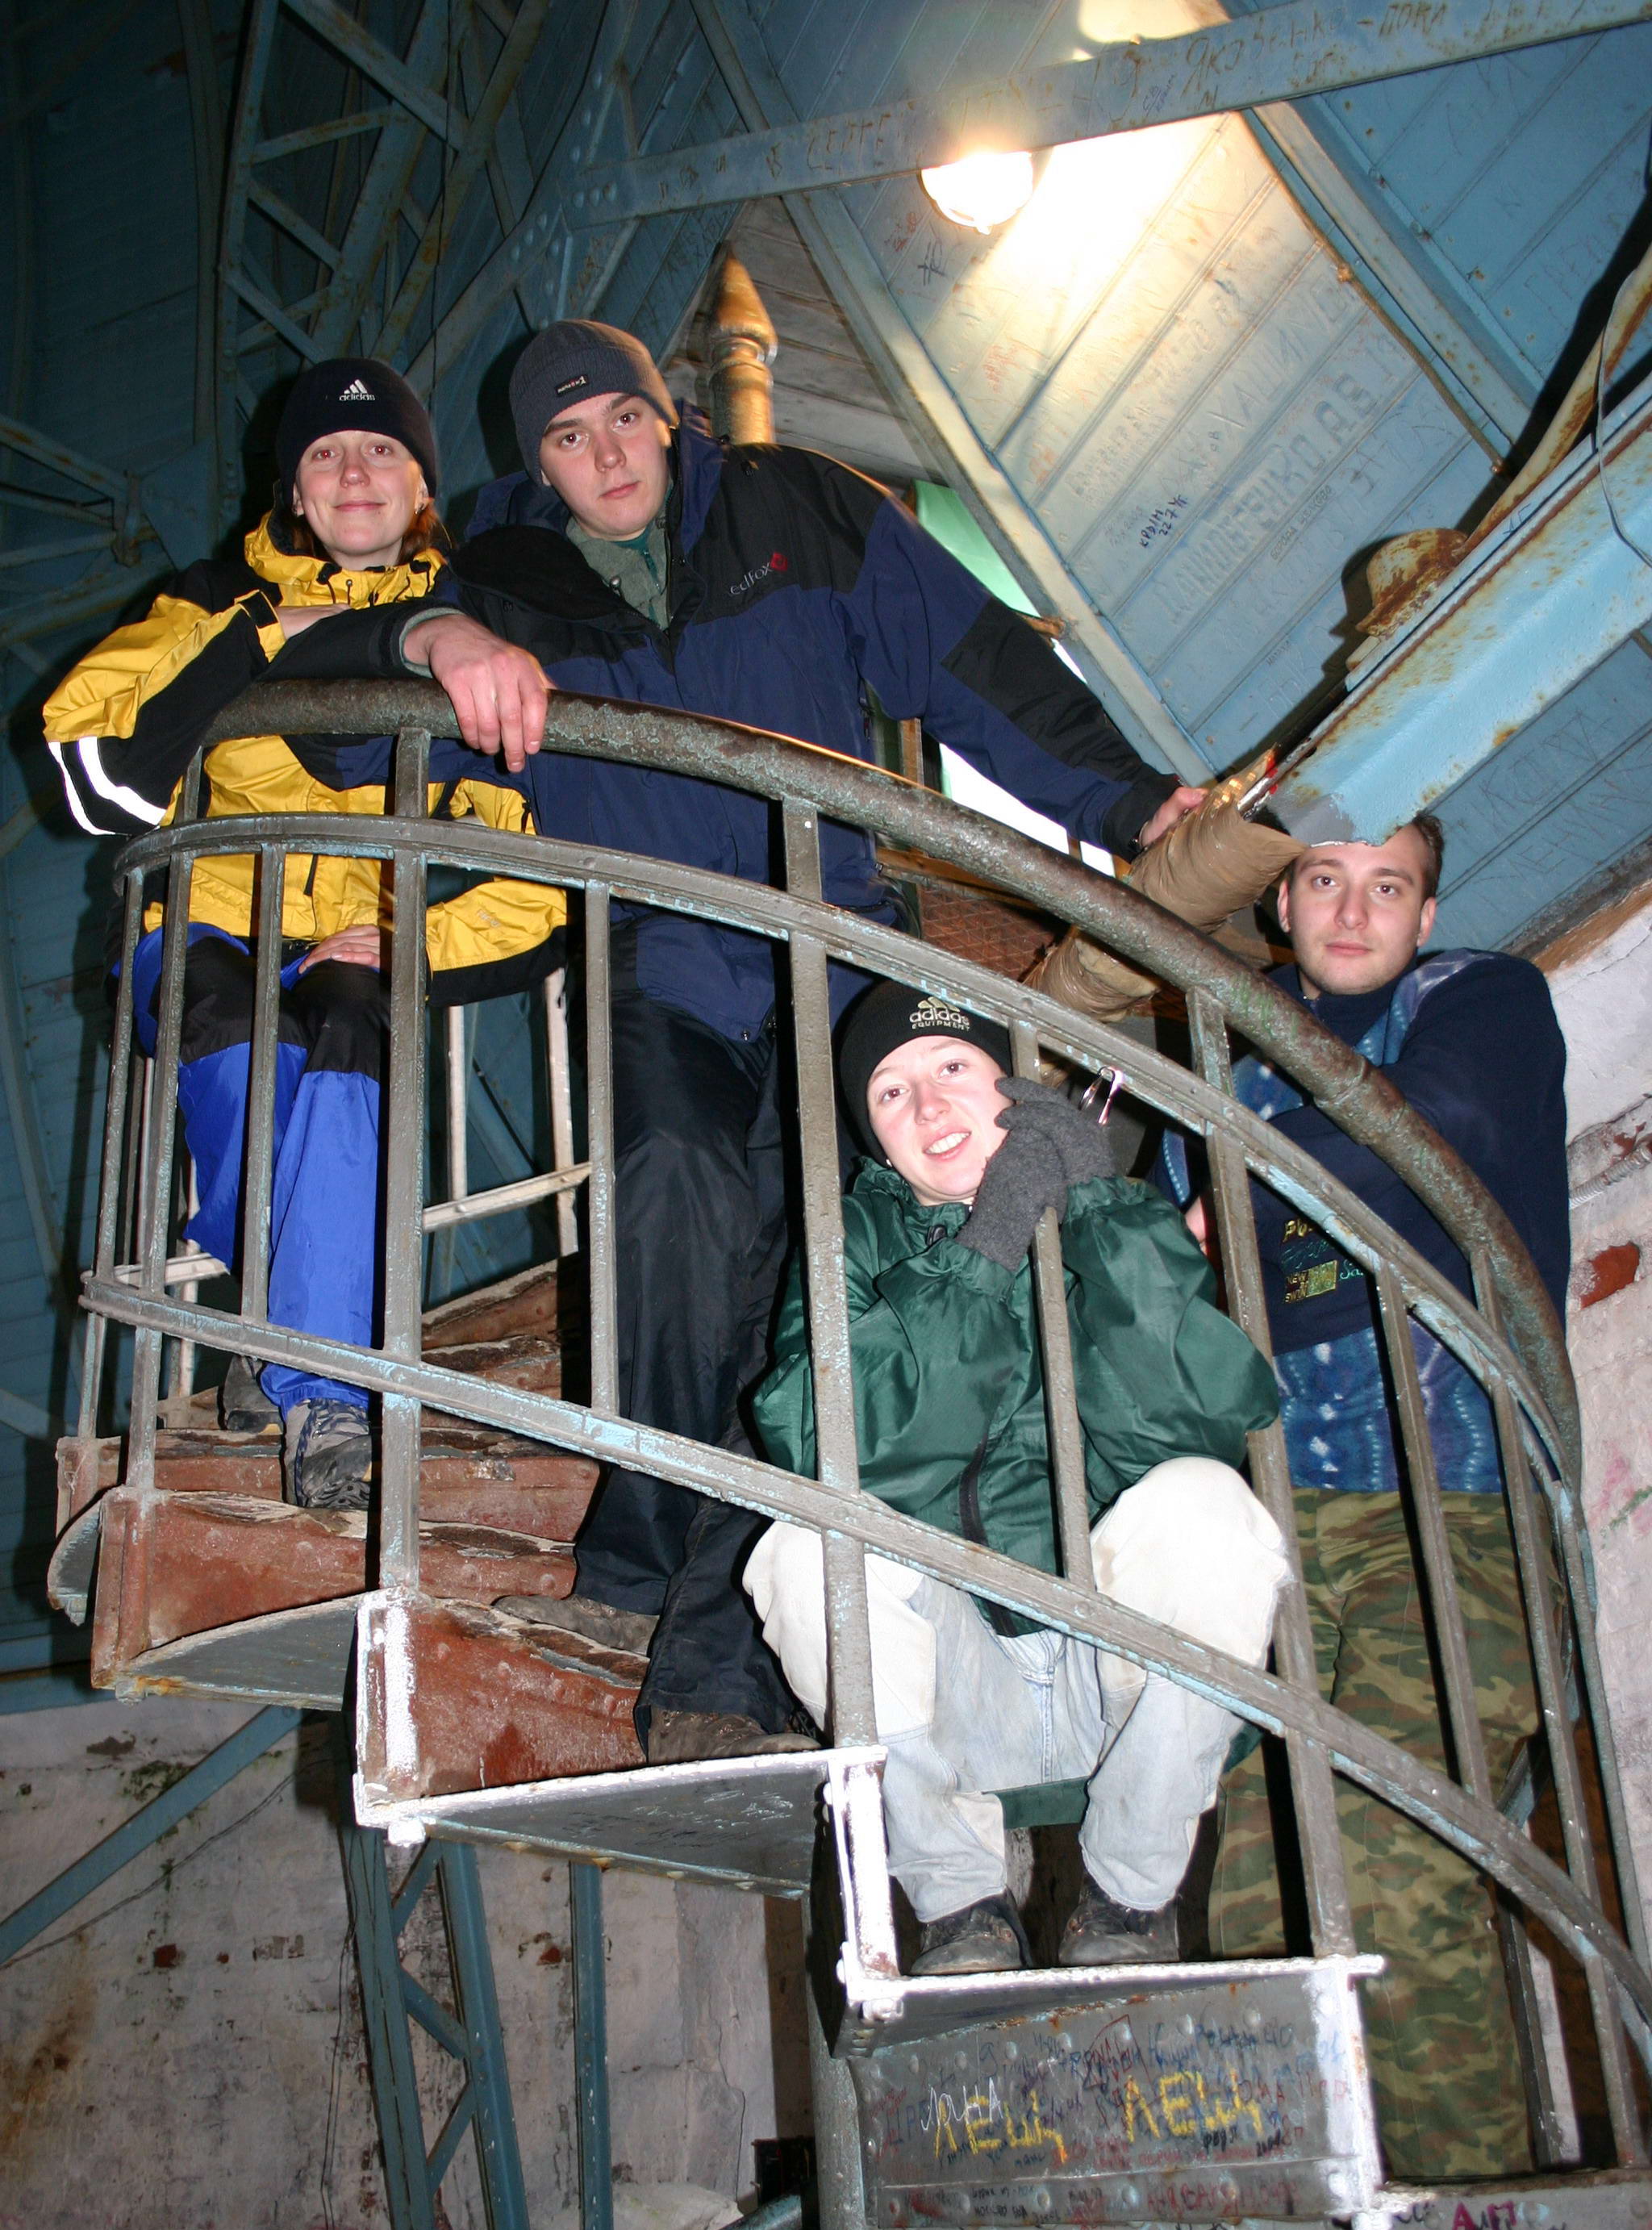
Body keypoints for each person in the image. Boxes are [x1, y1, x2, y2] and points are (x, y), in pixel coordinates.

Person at [335, 316, 1235, 1760]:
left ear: (667, 414)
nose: (604, 456)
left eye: (623, 419)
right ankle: (641, 1557)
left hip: (840, 945)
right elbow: (333, 714)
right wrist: (428, 633)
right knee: (677, 1204)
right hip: (664, 953)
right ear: (536, 463)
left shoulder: (795, 505)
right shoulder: (491, 566)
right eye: (567, 437)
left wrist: (1128, 805)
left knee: (824, 1269)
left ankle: (709, 1647)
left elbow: (976, 662)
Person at [44, 358, 565, 1509]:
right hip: (209, 921)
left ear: (422, 485)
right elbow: (94, 768)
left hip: (350, 949)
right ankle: (298, 1337)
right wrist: (273, 627)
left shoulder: (479, 632)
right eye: (325, 453)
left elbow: (539, 873)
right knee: (237, 1024)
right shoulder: (209, 597)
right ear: (292, 489)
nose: (355, 471)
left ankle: (315, 1387)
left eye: (383, 449)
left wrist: (416, 946)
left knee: (345, 1023)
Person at [1161, 814, 1568, 2179]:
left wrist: (1245, 1174)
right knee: (1257, 1891)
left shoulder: (1476, 997)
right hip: (1275, 1521)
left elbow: (1441, 1122)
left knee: (1396, 1856)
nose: (1351, 911)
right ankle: (1314, 2213)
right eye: (1323, 880)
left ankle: (1466, 2226)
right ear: (1278, 902)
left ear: (1425, 910)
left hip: (1453, 1506)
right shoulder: (1215, 1052)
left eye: (1386, 886)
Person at [742, 980, 1289, 1973]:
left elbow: (1201, 1418)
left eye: (953, 1065)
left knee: (1206, 1505)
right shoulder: (847, 1245)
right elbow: (839, 1448)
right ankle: (959, 1909)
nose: (927, 1104)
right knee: (802, 1549)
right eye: (890, 1093)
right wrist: (987, 1248)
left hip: (1113, 1675)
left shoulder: (1107, 1215)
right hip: (954, 1690)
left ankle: (1128, 1902)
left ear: (1012, 1083)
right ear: (874, 1142)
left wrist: (1098, 1213)